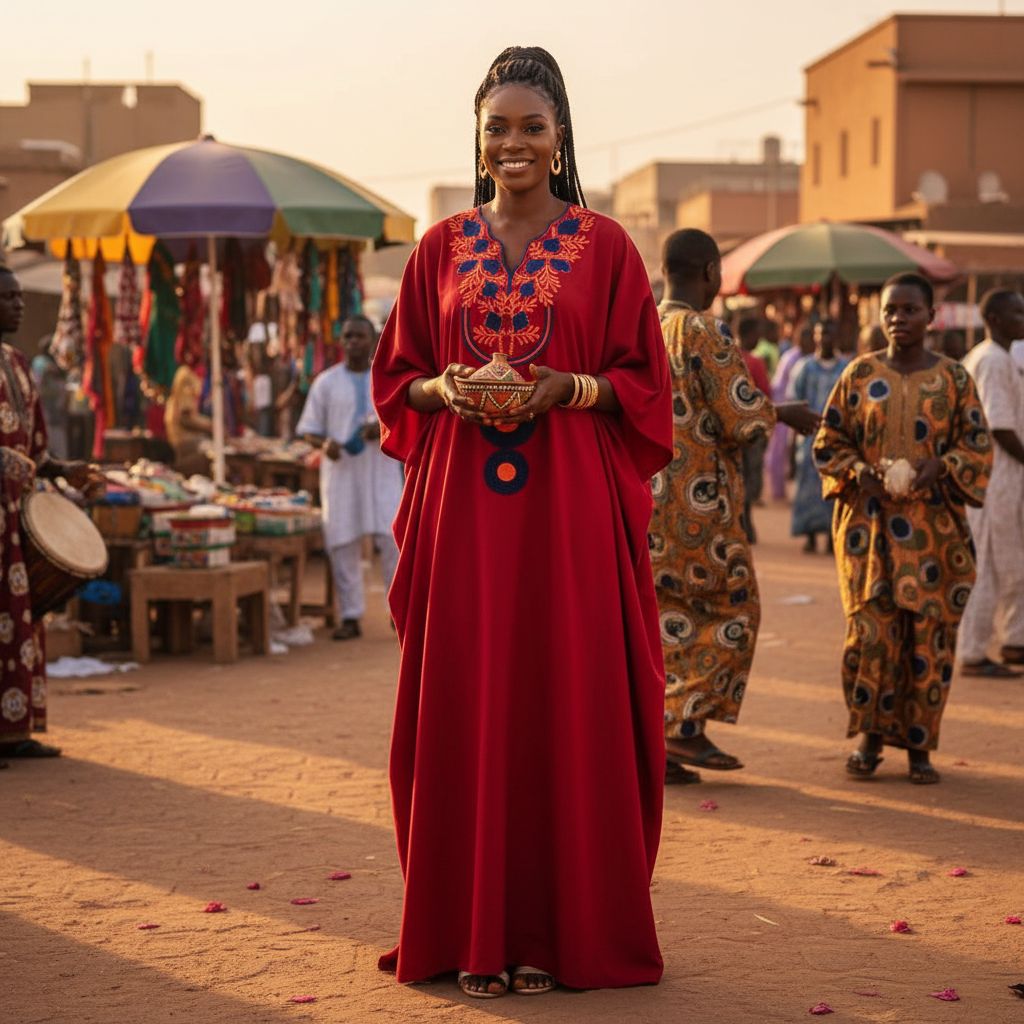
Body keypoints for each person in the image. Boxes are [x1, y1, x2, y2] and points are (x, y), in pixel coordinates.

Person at [372, 46, 672, 996]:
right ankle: (472, 933)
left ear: (560, 136)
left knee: (563, 700)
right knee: (471, 701)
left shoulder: (608, 247)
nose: (513, 143)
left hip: (569, 519)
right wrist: (445, 388)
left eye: (531, 127)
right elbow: (397, 381)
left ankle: (556, 932)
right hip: (464, 519)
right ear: (478, 134)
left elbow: (645, 386)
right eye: (497, 126)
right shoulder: (438, 249)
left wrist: (566, 387)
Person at [651, 229, 819, 781]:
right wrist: (783, 412)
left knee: (668, 617)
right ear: (709, 272)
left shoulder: (644, 326)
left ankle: (667, 737)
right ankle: (686, 730)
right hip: (701, 506)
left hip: (646, 500)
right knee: (734, 608)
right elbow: (742, 419)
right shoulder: (703, 329)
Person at [814, 272, 992, 784]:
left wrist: (943, 466)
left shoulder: (955, 380)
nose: (898, 319)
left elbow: (977, 446)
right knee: (872, 635)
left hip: (934, 536)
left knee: (927, 641)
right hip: (869, 534)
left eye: (910, 310)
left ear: (931, 317)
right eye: (890, 310)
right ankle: (869, 740)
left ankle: (919, 748)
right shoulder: (858, 374)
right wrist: (857, 472)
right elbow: (829, 441)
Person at [0, 260, 105, 768]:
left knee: (22, 624)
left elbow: (37, 449)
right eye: (10, 297)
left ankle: (14, 731)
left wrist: (66, 469)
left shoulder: (19, 364)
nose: (19, 305)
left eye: (20, 296)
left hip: (16, 522)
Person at [297, 316, 402, 641]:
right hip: (342, 472)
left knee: (393, 541)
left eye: (360, 336)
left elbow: (405, 420)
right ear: (341, 341)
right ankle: (351, 616)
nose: (354, 342)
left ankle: (398, 612)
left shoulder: (387, 379)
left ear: (374, 340)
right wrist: (325, 445)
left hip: (381, 471)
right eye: (348, 336)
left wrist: (380, 429)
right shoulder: (325, 383)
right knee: (343, 542)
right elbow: (309, 430)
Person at [958, 289, 1024, 676]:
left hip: (1006, 476)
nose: (1023, 318)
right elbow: (1000, 426)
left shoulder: (1002, 358)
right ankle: (973, 651)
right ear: (996, 319)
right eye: (1017, 312)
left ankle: (1015, 639)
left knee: (1013, 559)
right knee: (988, 564)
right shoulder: (993, 361)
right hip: (994, 475)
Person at [790, 319, 847, 554]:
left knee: (836, 487)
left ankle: (832, 537)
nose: (824, 339)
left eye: (828, 334)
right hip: (808, 439)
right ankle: (811, 536)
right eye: (820, 334)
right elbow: (794, 402)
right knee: (807, 489)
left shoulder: (845, 368)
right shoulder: (804, 367)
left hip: (837, 441)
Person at [765, 322, 815, 501]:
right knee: (779, 449)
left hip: (803, 409)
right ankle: (778, 490)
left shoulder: (812, 360)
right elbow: (778, 385)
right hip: (784, 407)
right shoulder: (790, 358)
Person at [737, 316, 771, 540]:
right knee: (751, 475)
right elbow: (766, 393)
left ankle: (743, 519)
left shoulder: (726, 356)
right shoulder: (755, 362)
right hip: (753, 429)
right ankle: (746, 520)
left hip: (731, 431)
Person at [164, 363, 211, 475]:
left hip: (179, 440)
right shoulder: (185, 385)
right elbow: (185, 419)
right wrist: (209, 426)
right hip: (183, 441)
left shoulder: (175, 398)